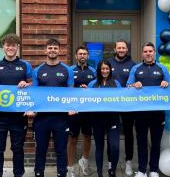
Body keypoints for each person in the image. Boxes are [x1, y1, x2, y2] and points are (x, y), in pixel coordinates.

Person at [0, 34, 33, 177]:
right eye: (8, 45)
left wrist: (27, 84)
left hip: (18, 117)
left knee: (18, 149)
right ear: (3, 47)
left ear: (17, 47)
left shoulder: (25, 65)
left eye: (13, 45)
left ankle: (18, 174)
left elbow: (33, 85)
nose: (10, 48)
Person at [127, 42, 170, 177]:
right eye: (145, 51)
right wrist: (134, 84)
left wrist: (166, 83)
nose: (148, 54)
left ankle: (153, 170)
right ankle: (141, 170)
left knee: (156, 143)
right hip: (140, 113)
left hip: (158, 113)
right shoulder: (136, 68)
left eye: (150, 51)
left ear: (154, 53)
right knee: (141, 143)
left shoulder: (163, 68)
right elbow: (128, 86)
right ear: (142, 54)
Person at [32, 38, 74, 177]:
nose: (52, 50)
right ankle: (39, 173)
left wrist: (72, 107)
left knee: (61, 149)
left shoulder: (67, 70)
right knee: (41, 150)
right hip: (42, 118)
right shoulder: (37, 70)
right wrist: (32, 108)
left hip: (61, 117)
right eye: (50, 48)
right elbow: (34, 93)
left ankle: (62, 173)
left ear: (59, 51)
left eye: (55, 48)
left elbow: (71, 91)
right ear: (46, 50)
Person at [88, 60, 121, 177]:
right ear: (99, 70)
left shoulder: (116, 83)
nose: (105, 71)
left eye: (107, 69)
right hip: (97, 120)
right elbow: (87, 100)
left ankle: (112, 170)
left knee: (115, 147)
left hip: (113, 119)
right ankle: (99, 172)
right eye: (103, 69)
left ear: (110, 70)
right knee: (99, 147)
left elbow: (122, 99)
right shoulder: (92, 84)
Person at [108, 39, 136, 176]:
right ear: (115, 49)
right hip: (111, 105)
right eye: (118, 48)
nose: (121, 50)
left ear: (127, 49)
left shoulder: (133, 65)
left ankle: (128, 161)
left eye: (123, 48)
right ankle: (110, 162)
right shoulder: (108, 63)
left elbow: (137, 83)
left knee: (129, 133)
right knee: (111, 133)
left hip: (128, 105)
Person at [67, 46, 96, 177]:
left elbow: (97, 89)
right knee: (72, 139)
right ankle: (70, 167)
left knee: (87, 137)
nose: (83, 56)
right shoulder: (70, 70)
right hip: (73, 110)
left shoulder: (93, 71)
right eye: (80, 54)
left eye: (85, 54)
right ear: (76, 56)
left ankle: (84, 161)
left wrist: (89, 89)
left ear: (88, 56)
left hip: (88, 110)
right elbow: (65, 88)